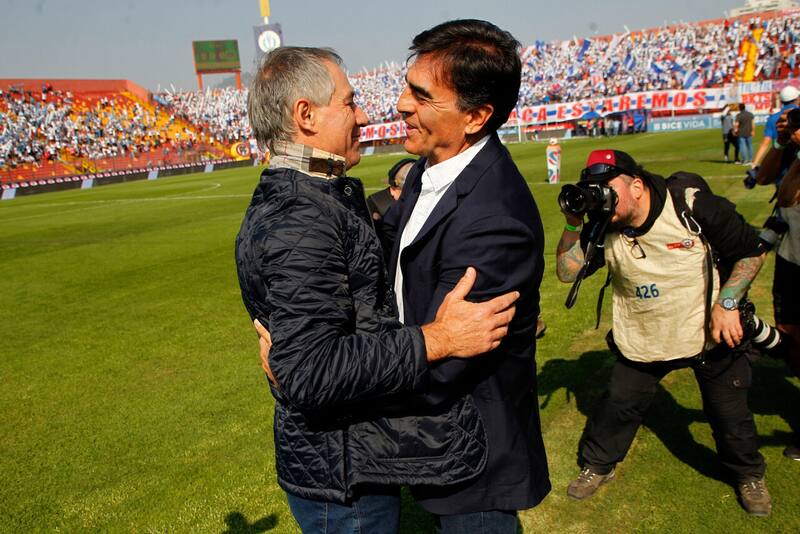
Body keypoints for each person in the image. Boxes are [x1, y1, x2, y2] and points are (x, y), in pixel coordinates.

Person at [237, 46, 520, 534]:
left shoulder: (317, 198)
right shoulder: (302, 216)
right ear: (306, 116)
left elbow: (306, 353)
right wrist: (440, 339)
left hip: (349, 459)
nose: (364, 115)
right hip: (342, 474)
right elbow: (312, 369)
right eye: (349, 103)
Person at [382, 19, 550, 533]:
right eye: (407, 87)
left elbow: (448, 363)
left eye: (422, 95)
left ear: (476, 116)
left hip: (475, 455)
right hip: (441, 441)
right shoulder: (432, 168)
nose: (403, 105)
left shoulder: (493, 218)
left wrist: (339, 378)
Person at [555, 149, 772, 516]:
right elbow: (566, 271)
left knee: (729, 414)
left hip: (707, 330)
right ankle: (598, 465)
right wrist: (574, 222)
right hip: (644, 332)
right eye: (593, 189)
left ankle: (748, 474)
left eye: (607, 187)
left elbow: (751, 251)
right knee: (619, 403)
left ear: (636, 186)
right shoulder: (601, 224)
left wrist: (729, 304)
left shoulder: (690, 205)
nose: (600, 196)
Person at [756, 108, 800, 461]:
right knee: (790, 337)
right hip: (790, 259)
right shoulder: (791, 151)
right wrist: (783, 144)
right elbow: (765, 178)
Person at [752, 85, 799, 170]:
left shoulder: (773, 118)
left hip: (781, 163)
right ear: (797, 99)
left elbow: (765, 144)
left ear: (781, 101)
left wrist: (755, 164)